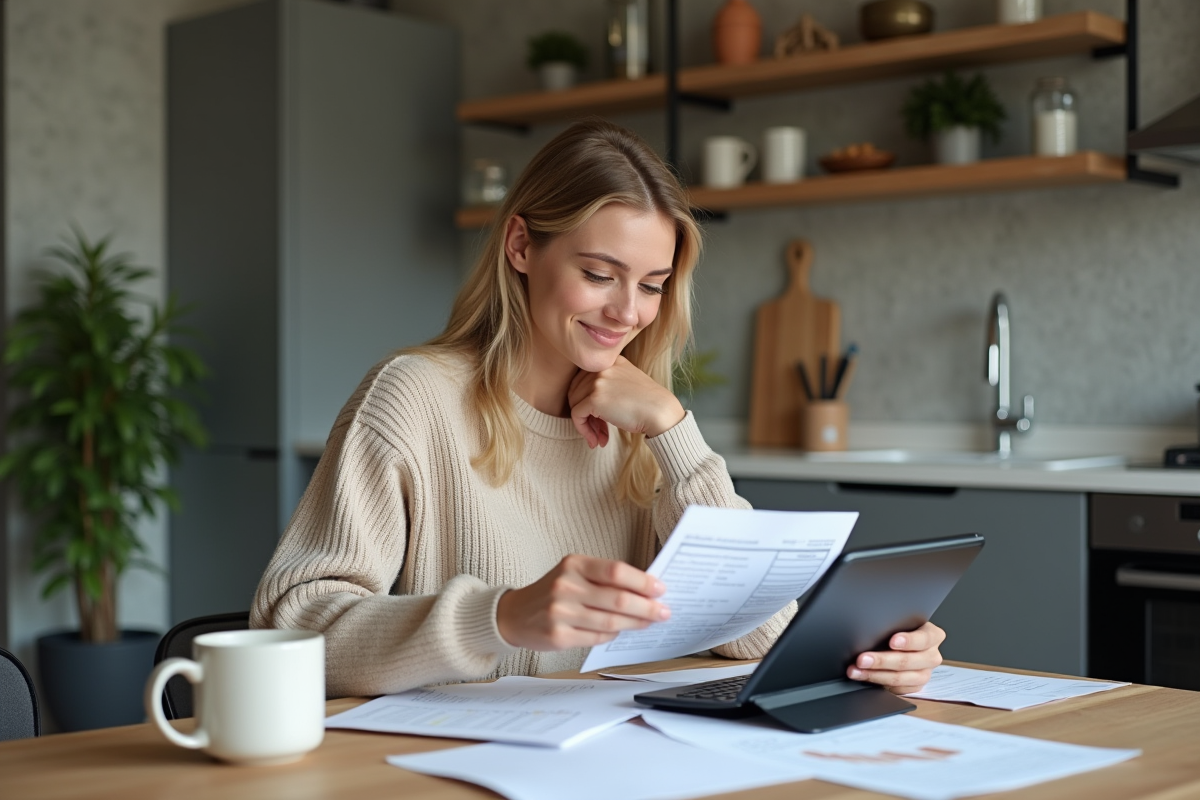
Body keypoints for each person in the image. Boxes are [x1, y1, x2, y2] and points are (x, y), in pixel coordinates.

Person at [251, 119, 945, 698]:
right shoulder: (413, 398)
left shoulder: (641, 424)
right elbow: (293, 633)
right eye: (598, 275)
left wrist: (676, 435)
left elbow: (755, 638)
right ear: (522, 246)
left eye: (651, 285)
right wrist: (499, 617)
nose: (627, 312)